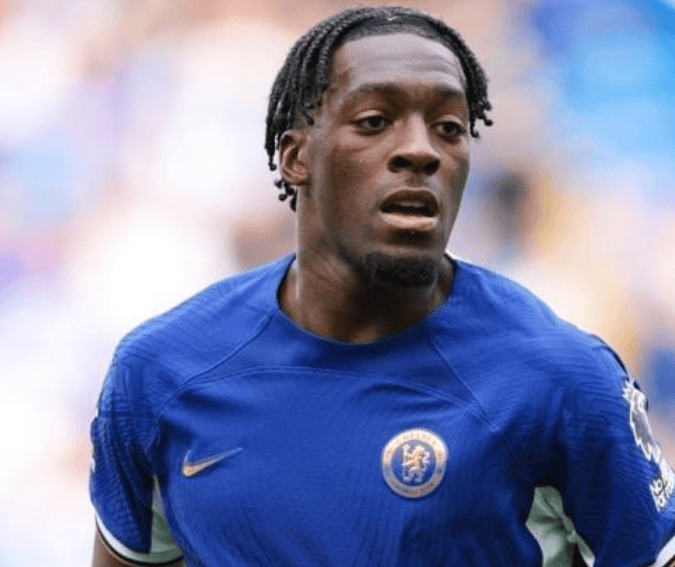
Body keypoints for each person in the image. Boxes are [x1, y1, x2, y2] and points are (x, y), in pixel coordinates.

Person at [89, 6, 675, 566]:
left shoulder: (561, 378)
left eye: (449, 128)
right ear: (295, 156)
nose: (421, 151)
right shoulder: (161, 371)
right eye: (374, 121)